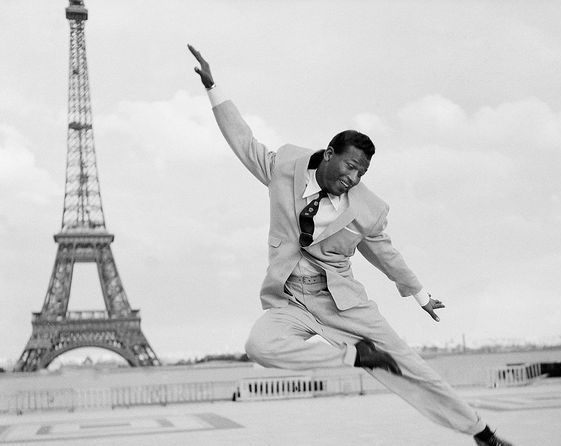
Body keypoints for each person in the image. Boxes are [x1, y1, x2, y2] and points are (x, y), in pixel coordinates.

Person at [188, 44, 514, 446]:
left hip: (343, 302)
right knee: (259, 346)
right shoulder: (283, 169)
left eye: (362, 172)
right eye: (350, 166)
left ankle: (481, 432)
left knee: (411, 366)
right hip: (291, 300)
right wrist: (213, 88)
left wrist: (420, 294)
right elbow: (244, 140)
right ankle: (354, 356)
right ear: (329, 154)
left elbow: (386, 254)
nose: (354, 178)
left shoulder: (367, 210)